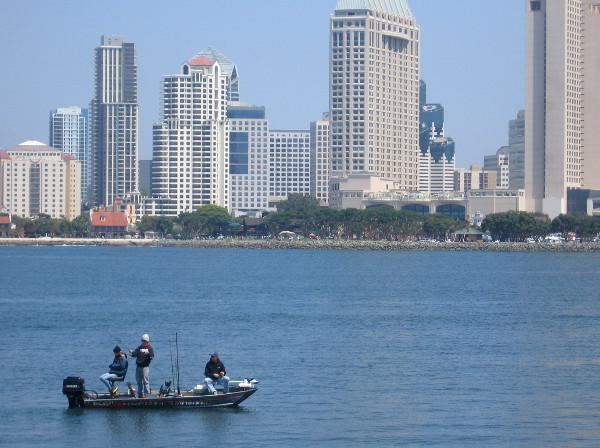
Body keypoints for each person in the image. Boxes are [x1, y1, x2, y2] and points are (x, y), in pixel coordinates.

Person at [129, 334, 154, 398]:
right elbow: (134, 354)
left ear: (147, 341)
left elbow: (152, 356)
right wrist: (131, 353)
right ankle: (140, 394)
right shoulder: (139, 348)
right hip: (138, 367)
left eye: (144, 340)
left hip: (145, 367)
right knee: (139, 381)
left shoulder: (150, 348)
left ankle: (147, 394)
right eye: (142, 340)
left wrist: (148, 354)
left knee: (145, 381)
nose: (142, 342)